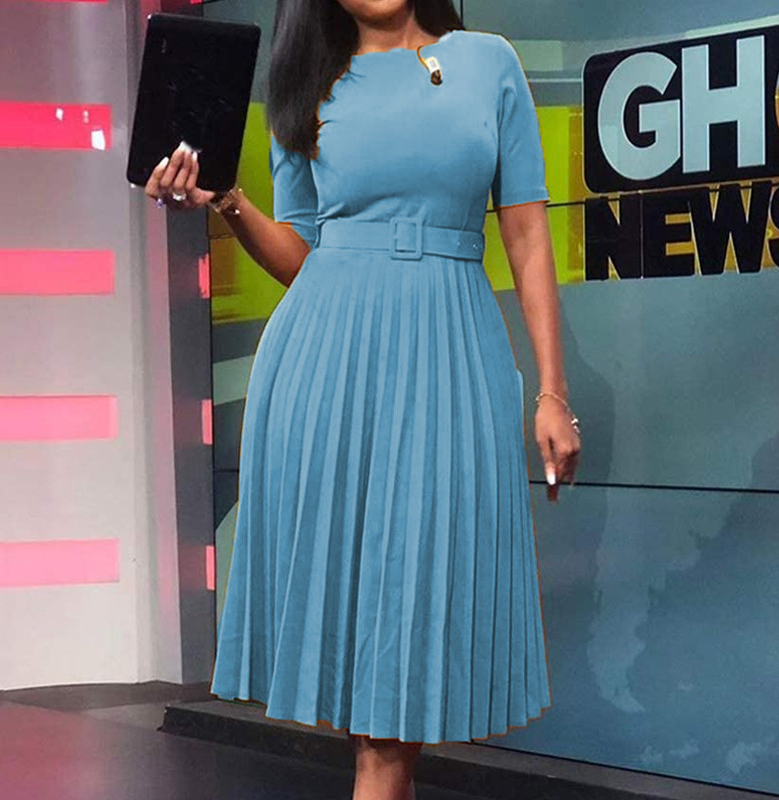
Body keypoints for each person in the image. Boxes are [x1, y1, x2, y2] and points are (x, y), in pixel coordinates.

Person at [144, 1, 580, 798]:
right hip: (324, 369)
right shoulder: (303, 87)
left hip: (452, 361)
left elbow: (525, 234)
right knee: (372, 696)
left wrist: (552, 390)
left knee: (405, 640)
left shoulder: (490, 63)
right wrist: (227, 198)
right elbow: (302, 255)